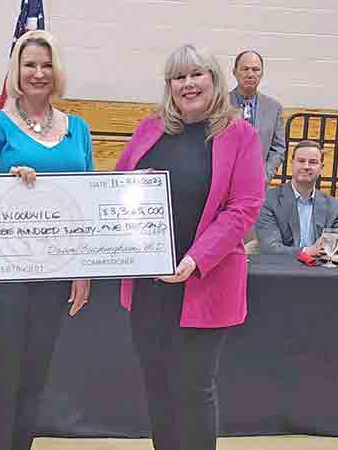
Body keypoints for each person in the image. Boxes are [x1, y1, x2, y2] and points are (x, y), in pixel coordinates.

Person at [114, 44, 265, 450]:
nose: (187, 84)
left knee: (193, 390)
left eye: (196, 74)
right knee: (158, 387)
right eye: (178, 77)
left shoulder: (240, 135)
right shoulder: (150, 129)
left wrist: (196, 259)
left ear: (215, 81)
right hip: (149, 286)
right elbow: (116, 187)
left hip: (203, 283)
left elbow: (244, 206)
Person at [0, 29, 93, 450]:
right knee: (0, 377)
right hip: (4, 272)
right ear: (16, 71)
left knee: (36, 376)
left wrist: (84, 270)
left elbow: (87, 202)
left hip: (55, 271)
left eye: (46, 64)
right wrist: (6, 184)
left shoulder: (79, 129)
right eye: (30, 64)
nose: (39, 72)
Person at [254, 139, 338, 256]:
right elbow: (270, 248)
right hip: (282, 269)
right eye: (301, 161)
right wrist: (307, 252)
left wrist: (325, 251)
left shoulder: (335, 207)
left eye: (313, 162)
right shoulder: (268, 201)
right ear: (292, 164)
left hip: (320, 270)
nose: (306, 166)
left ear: (321, 168)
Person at [228, 50, 286, 182]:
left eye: (255, 69)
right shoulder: (219, 105)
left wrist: (265, 175)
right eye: (245, 69)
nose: (250, 74)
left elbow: (278, 148)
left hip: (258, 185)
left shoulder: (274, 108)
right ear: (234, 72)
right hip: (225, 183)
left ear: (262, 73)